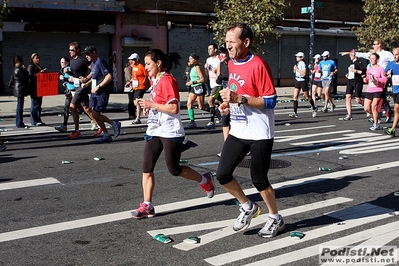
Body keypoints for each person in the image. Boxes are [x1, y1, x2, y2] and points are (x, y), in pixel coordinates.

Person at [217, 23, 284, 238]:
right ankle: (248, 207)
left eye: (232, 42)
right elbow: (239, 92)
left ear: (245, 42)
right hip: (238, 129)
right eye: (226, 41)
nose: (227, 46)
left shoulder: (259, 65)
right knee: (223, 174)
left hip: (259, 132)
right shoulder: (231, 63)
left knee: (259, 179)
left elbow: (271, 101)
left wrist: (240, 99)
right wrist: (229, 104)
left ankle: (275, 218)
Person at [131, 48, 215, 219]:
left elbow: (174, 107)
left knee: (174, 169)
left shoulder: (168, 80)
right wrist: (149, 107)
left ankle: (205, 180)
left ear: (158, 63)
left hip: (169, 129)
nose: (145, 67)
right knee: (147, 166)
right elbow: (159, 102)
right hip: (155, 128)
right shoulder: (154, 79)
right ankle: (147, 205)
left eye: (148, 64)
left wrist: (152, 105)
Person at [341, 39, 394, 122]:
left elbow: (394, 63)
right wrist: (348, 53)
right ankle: (387, 112)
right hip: (372, 78)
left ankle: (376, 116)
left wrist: (390, 72)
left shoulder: (387, 54)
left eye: (374, 44)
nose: (373, 46)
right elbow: (362, 54)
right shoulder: (372, 54)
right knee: (381, 97)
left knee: (379, 96)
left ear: (379, 45)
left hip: (382, 77)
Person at [82, 45, 121, 143]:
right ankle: (106, 135)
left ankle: (114, 123)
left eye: (88, 54)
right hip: (94, 92)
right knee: (94, 114)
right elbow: (94, 75)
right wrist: (86, 82)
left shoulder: (100, 61)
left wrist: (99, 87)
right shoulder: (93, 63)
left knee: (96, 114)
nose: (86, 56)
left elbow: (109, 77)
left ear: (94, 52)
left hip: (101, 92)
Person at [67, 41, 97, 139]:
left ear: (77, 50)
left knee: (72, 107)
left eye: (72, 50)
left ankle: (77, 130)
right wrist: (68, 72)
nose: (70, 52)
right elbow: (74, 73)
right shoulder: (71, 60)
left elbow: (94, 69)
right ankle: (100, 125)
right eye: (69, 50)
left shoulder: (83, 60)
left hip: (82, 87)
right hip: (76, 86)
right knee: (87, 109)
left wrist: (87, 78)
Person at [340, 49, 366, 121]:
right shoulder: (351, 64)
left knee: (358, 99)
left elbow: (363, 71)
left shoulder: (359, 62)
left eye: (350, 55)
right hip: (350, 81)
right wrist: (348, 74)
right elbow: (351, 72)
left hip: (357, 81)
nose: (350, 57)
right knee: (348, 97)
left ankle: (367, 107)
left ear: (355, 55)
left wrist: (355, 71)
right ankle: (349, 114)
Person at [289, 52, 317, 118]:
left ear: (301, 57)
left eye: (298, 57)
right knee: (295, 97)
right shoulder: (298, 63)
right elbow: (295, 72)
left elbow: (304, 73)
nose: (296, 58)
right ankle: (295, 113)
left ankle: (314, 107)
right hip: (297, 80)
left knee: (307, 97)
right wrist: (294, 69)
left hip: (302, 81)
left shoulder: (303, 64)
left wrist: (297, 69)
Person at [363, 53, 387, 131]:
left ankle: (376, 124)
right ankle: (376, 115)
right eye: (371, 58)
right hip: (370, 90)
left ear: (377, 59)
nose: (372, 60)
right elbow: (367, 79)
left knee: (374, 106)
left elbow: (384, 79)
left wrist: (377, 80)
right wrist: (365, 79)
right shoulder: (369, 69)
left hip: (378, 90)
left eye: (373, 58)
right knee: (366, 108)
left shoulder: (381, 69)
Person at [215, 45, 230, 157]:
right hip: (225, 94)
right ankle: (227, 148)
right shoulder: (221, 64)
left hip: (234, 94)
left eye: (224, 52)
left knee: (234, 121)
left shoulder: (233, 64)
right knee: (225, 120)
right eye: (221, 52)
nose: (222, 54)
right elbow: (219, 78)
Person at [125, 53, 148, 124]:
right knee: (135, 102)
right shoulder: (133, 67)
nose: (131, 61)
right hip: (135, 87)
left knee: (137, 101)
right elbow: (134, 77)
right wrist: (129, 82)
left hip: (141, 86)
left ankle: (138, 118)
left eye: (133, 60)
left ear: (137, 59)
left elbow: (147, 74)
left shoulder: (141, 67)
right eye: (130, 60)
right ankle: (147, 107)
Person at [185, 53, 206, 129]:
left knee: (201, 107)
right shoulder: (192, 68)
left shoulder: (197, 67)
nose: (189, 60)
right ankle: (192, 122)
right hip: (193, 88)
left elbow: (202, 79)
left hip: (199, 87)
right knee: (189, 104)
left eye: (191, 59)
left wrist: (192, 82)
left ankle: (214, 110)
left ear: (195, 60)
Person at [204, 43, 222, 130]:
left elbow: (225, 69)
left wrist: (217, 71)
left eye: (211, 48)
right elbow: (207, 74)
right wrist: (205, 69)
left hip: (218, 84)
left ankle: (212, 122)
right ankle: (225, 117)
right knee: (221, 102)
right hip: (212, 83)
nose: (209, 50)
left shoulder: (219, 58)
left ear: (215, 50)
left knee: (210, 101)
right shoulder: (208, 60)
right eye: (208, 49)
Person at [54, 57, 74, 132]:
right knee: (66, 108)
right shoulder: (65, 70)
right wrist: (65, 82)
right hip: (69, 91)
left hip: (74, 91)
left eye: (63, 62)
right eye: (61, 62)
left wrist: (64, 79)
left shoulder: (69, 69)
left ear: (67, 63)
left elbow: (72, 79)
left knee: (84, 108)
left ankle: (95, 121)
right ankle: (64, 125)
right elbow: (68, 80)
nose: (61, 64)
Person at [27, 53, 46, 126]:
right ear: (32, 59)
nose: (38, 59)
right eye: (36, 58)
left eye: (38, 57)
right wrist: (39, 73)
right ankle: (33, 120)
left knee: (38, 104)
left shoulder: (39, 66)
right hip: (34, 88)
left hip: (40, 88)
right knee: (34, 104)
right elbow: (31, 77)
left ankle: (38, 118)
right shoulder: (31, 67)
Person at [12, 55, 30, 128]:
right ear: (18, 61)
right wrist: (25, 70)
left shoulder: (15, 69)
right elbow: (25, 78)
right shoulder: (19, 69)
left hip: (17, 89)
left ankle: (19, 122)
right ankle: (19, 122)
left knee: (19, 106)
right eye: (22, 61)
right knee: (20, 107)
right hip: (20, 89)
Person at [384, 47, 399, 136]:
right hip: (395, 90)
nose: (394, 56)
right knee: (397, 110)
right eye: (393, 55)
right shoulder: (391, 64)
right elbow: (384, 73)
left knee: (396, 108)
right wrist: (387, 73)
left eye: (396, 54)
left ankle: (393, 129)